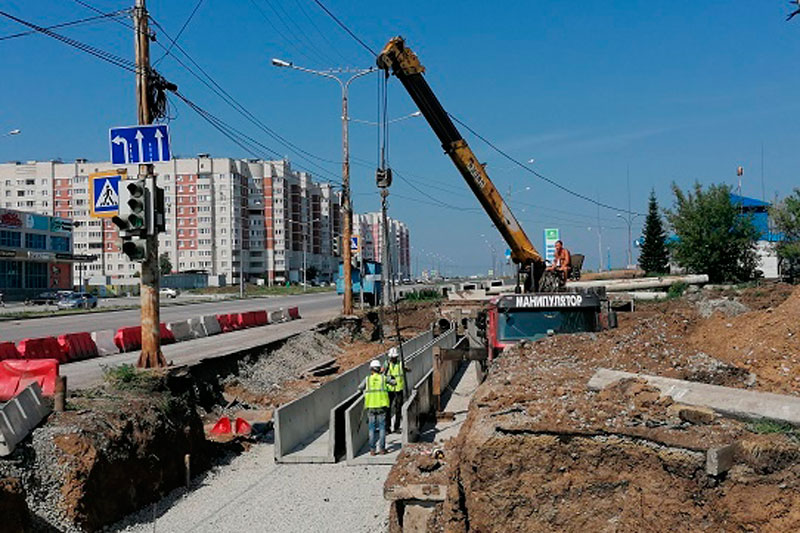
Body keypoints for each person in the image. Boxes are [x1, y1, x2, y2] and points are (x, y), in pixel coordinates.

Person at [359, 359, 395, 455]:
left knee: (371, 428)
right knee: (382, 428)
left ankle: (372, 450)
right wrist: (390, 376)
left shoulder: (367, 379)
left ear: (371, 369)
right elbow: (394, 383)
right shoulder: (383, 378)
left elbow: (360, 387)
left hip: (371, 406)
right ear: (379, 369)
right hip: (381, 406)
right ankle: (382, 449)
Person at [384, 347, 406, 434]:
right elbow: (382, 374)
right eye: (392, 357)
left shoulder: (400, 363)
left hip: (398, 389)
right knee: (387, 409)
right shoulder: (386, 364)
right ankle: (387, 428)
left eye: (394, 357)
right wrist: (386, 372)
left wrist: (406, 369)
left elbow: (407, 370)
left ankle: (396, 427)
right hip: (389, 389)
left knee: (398, 408)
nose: (393, 359)